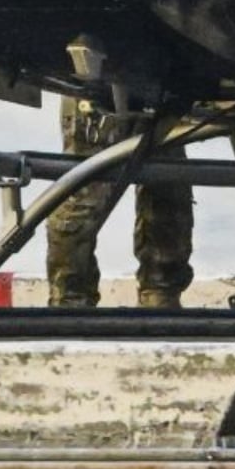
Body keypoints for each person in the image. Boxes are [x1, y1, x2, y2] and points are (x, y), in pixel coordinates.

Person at [44, 97, 194, 310]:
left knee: (167, 189)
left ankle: (160, 296)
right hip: (100, 93)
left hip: (170, 90)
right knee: (83, 195)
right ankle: (70, 301)